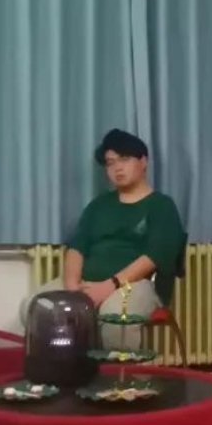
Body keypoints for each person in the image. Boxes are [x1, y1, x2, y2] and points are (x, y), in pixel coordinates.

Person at [55, 129, 185, 348]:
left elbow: (154, 256)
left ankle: (119, 371)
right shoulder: (98, 205)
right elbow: (76, 248)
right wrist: (72, 289)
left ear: (143, 161)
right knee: (38, 306)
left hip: (137, 285)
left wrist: (110, 285)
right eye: (110, 162)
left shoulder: (162, 206)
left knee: (116, 317)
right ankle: (61, 368)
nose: (117, 167)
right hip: (85, 283)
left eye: (124, 159)